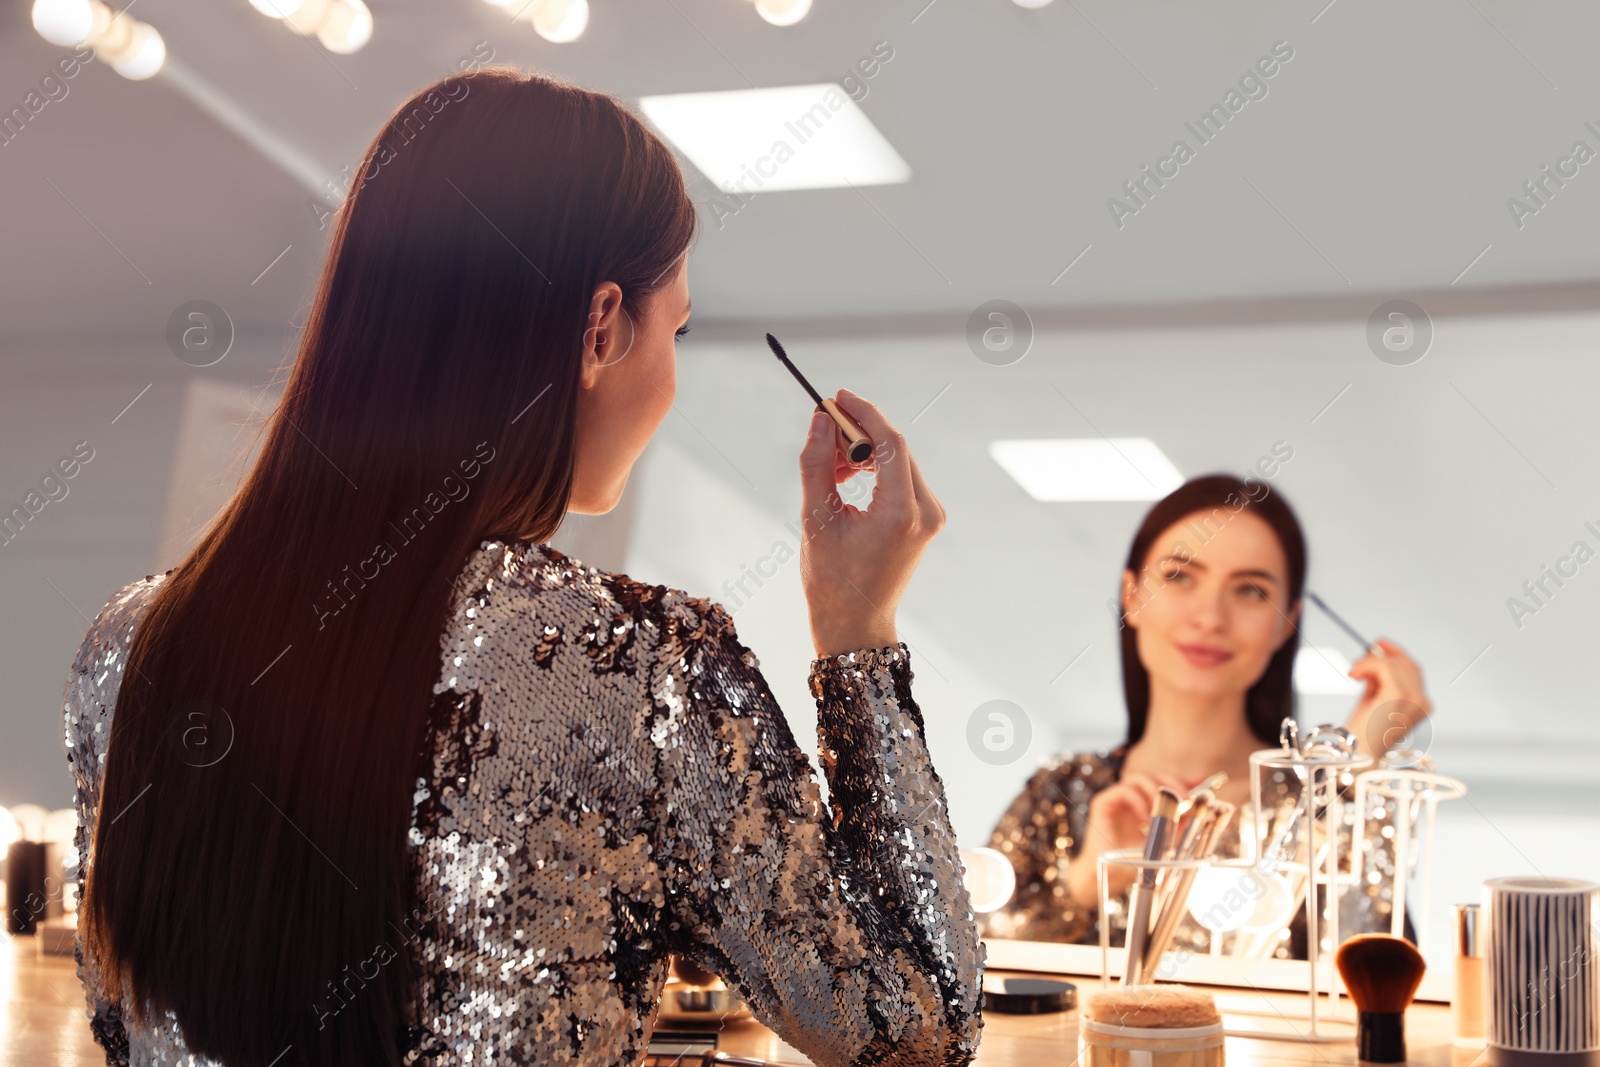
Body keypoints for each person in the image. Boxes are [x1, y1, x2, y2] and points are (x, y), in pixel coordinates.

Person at [62, 68, 982, 1067]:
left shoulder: (130, 649)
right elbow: (913, 1027)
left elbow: (125, 1024)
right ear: (600, 328)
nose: (669, 370)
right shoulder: (635, 665)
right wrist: (858, 639)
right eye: (672, 329)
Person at [979, 474, 1434, 957]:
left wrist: (1352, 773)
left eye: (1251, 591)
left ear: (1288, 625)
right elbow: (966, 975)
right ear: (1132, 596)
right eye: (1179, 576)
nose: (1210, 617)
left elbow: (1372, 978)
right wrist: (1089, 879)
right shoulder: (1060, 793)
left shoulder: (1321, 803)